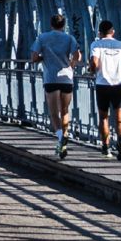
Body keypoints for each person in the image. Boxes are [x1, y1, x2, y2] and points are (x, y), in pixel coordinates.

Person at [31, 14, 82, 159]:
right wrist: (71, 65)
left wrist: (44, 57)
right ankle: (64, 137)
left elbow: (34, 58)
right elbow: (77, 55)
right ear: (64, 25)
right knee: (65, 110)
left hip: (51, 78)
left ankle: (60, 137)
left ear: (51, 24)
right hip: (67, 79)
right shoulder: (69, 38)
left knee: (53, 113)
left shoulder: (42, 38)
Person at [88, 20, 121, 160]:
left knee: (103, 117)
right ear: (113, 32)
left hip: (102, 84)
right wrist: (119, 69)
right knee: (120, 115)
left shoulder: (96, 45)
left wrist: (91, 71)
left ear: (100, 33)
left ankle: (106, 147)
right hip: (118, 85)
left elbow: (94, 63)